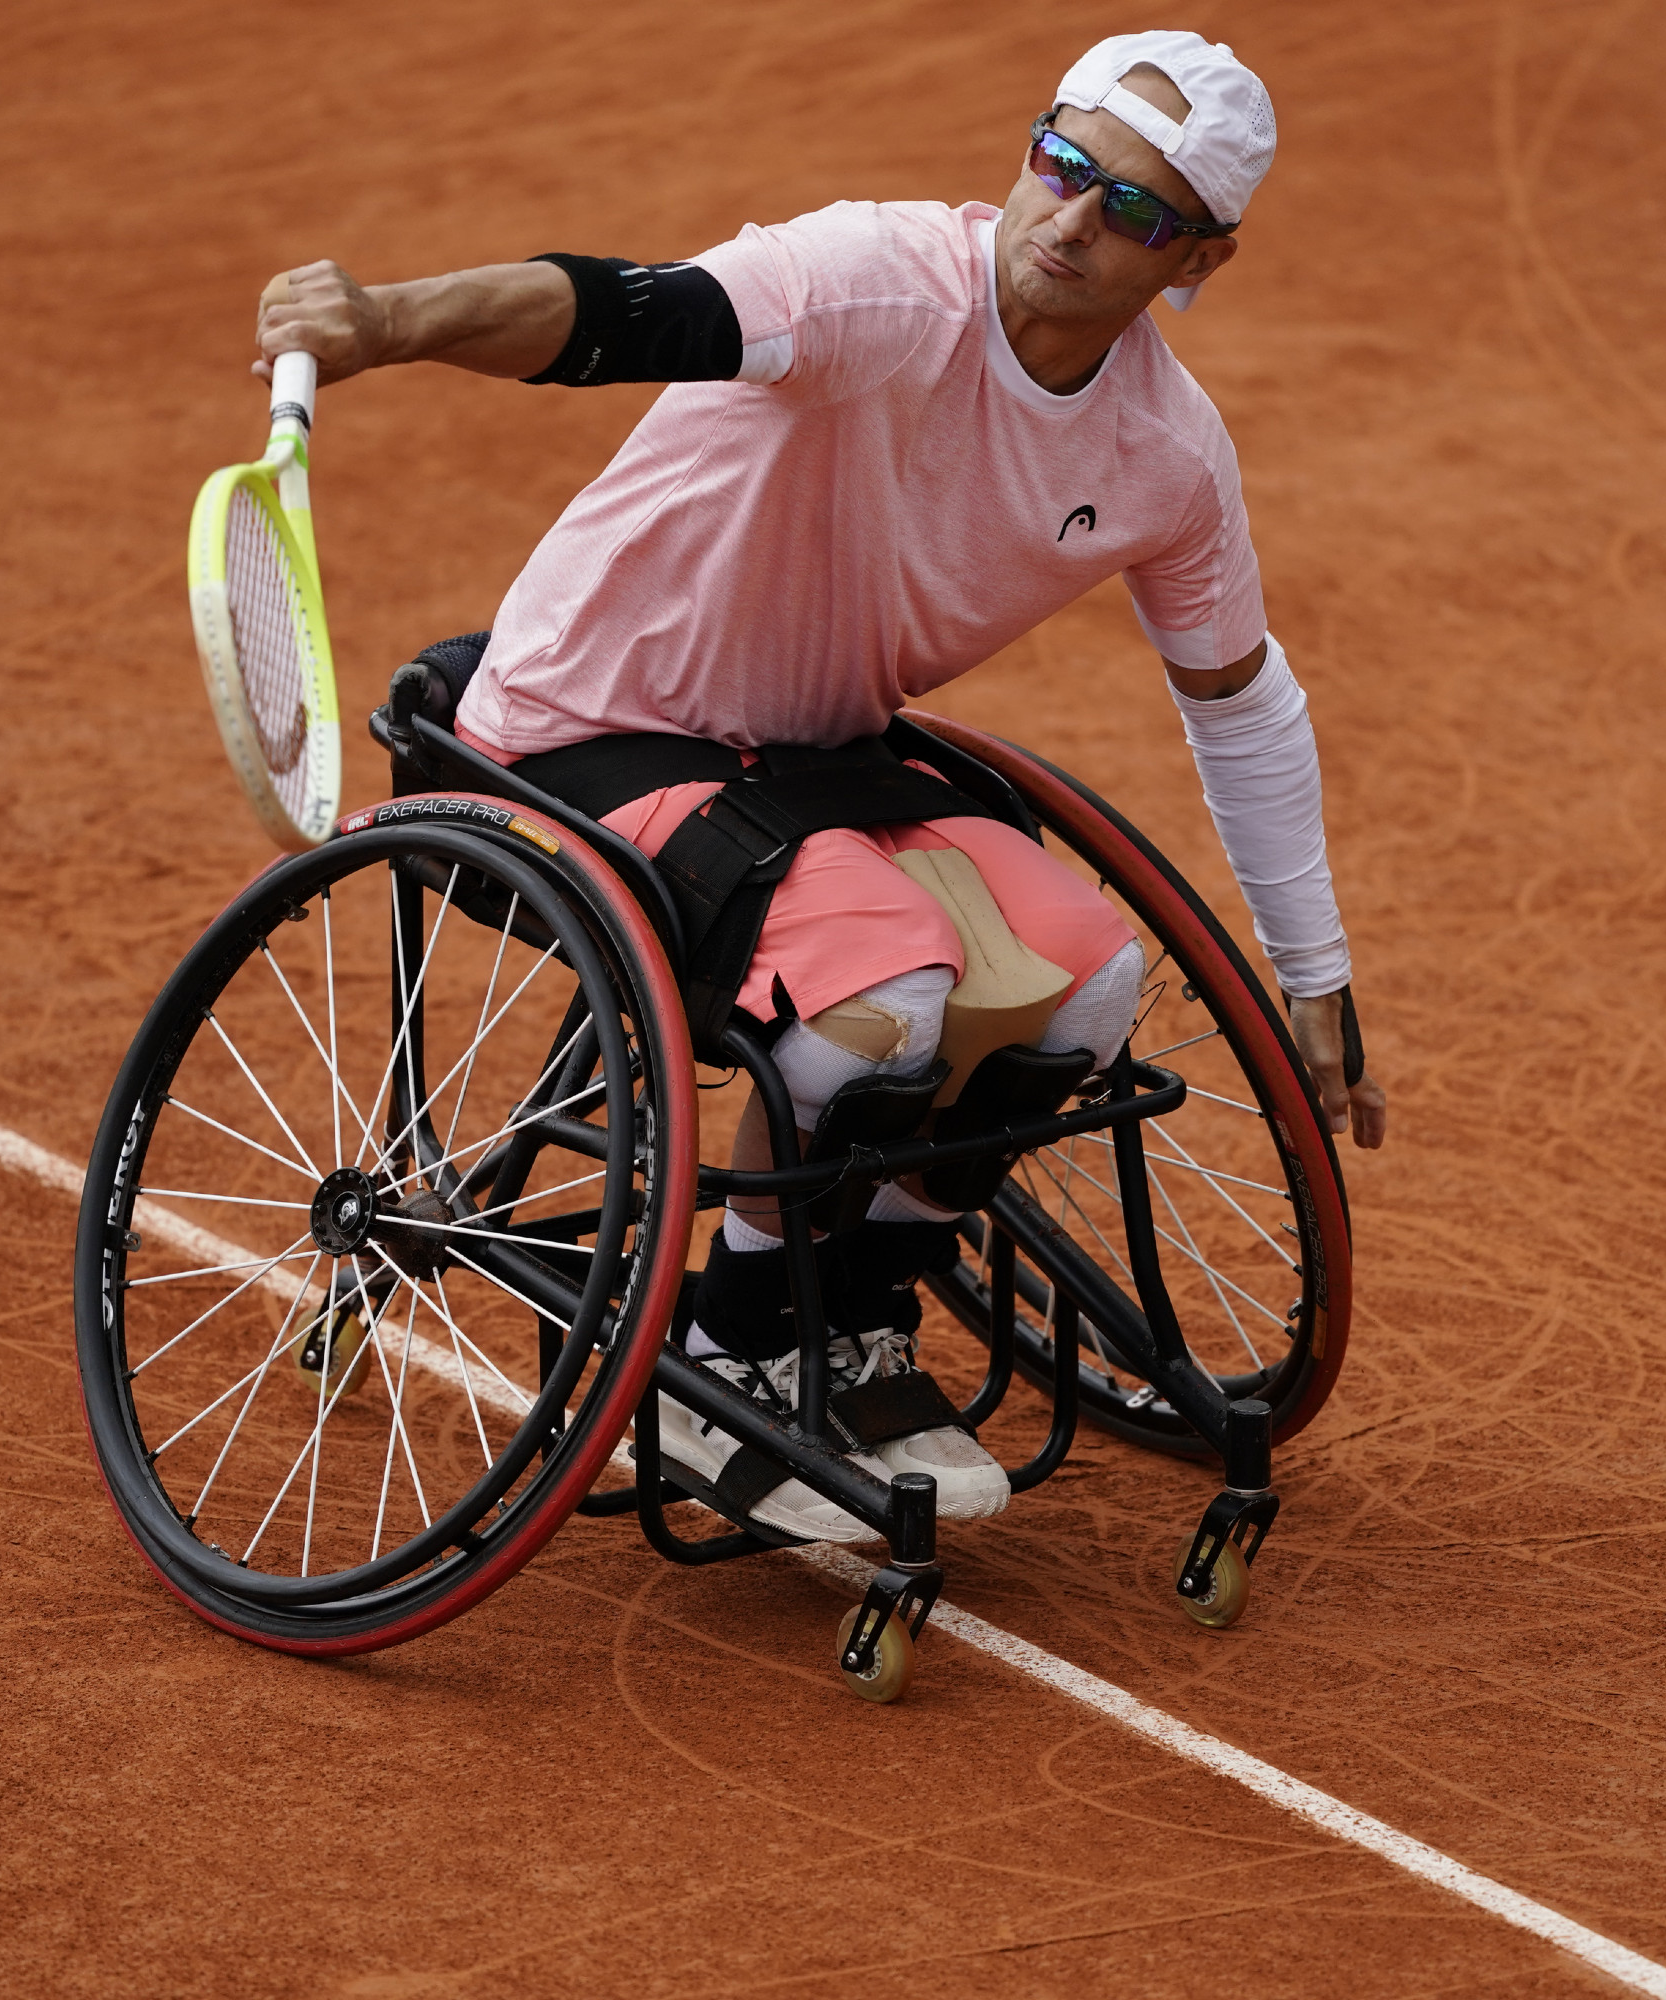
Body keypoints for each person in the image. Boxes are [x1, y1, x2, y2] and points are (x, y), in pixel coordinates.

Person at [255, 30, 1385, 1542]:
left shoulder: (1166, 454)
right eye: (1060, 162)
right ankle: (725, 1347)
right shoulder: (880, 281)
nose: (1069, 220)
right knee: (889, 996)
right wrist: (388, 319)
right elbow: (621, 309)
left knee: (1086, 979)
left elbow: (1239, 703)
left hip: (808, 760)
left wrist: (1315, 975)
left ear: (1201, 258)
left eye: (1132, 207)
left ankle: (847, 1321)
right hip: (579, 726)